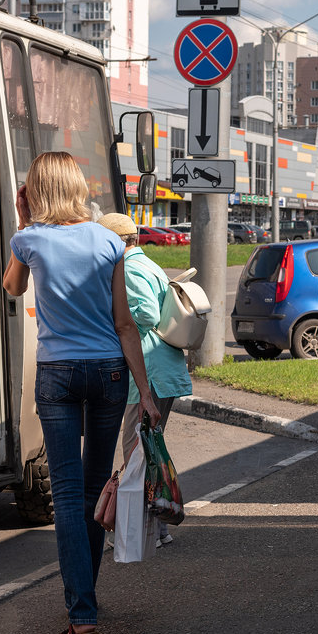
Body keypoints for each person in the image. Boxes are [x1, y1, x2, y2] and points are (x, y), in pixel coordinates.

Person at [2, 152, 160, 634]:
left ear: (35, 190)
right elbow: (124, 323)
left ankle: (83, 612)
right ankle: (85, 598)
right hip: (110, 373)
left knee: (68, 496)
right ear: (76, 187)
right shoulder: (109, 240)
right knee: (92, 490)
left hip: (58, 376)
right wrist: (147, 392)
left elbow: (12, 287)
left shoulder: (29, 240)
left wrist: (24, 221)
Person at [97, 212, 193, 548]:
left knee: (135, 449)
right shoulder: (147, 263)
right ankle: (157, 525)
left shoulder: (132, 268)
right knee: (146, 451)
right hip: (159, 369)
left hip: (149, 371)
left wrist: (115, 317)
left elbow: (147, 314)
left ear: (114, 242)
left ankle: (133, 530)